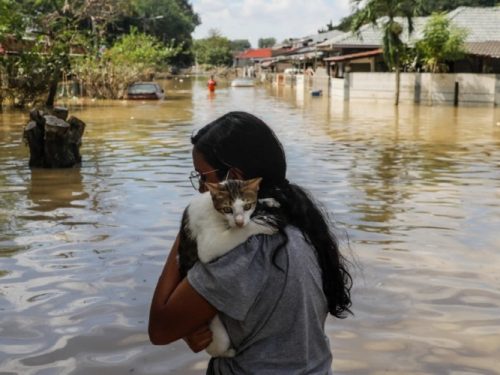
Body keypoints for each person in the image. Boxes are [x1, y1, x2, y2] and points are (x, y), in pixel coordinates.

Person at [148, 111, 353, 374]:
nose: (201, 189)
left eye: (204, 177)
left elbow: (160, 327)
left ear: (233, 177)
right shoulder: (299, 222)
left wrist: (190, 224)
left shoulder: (244, 249)